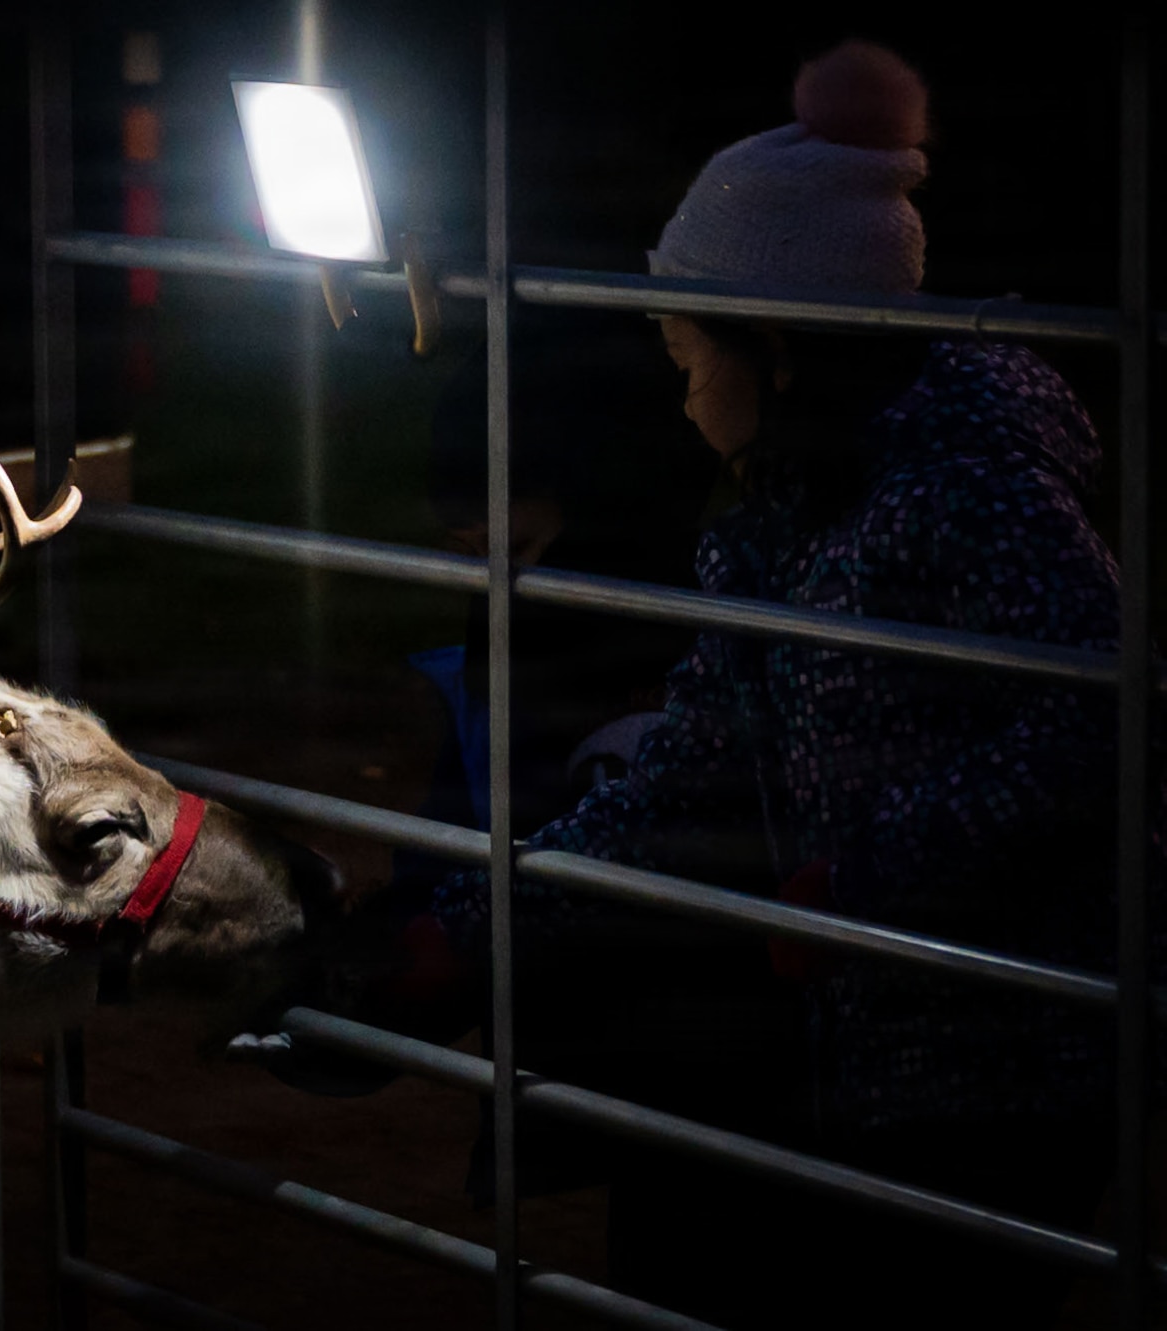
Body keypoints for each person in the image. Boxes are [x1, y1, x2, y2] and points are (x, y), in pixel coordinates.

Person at [315, 39, 1145, 1329]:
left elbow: (1097, 719)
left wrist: (865, 884)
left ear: (780, 346)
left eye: (693, 358)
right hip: (870, 1054)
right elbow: (684, 768)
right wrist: (471, 929)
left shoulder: (970, 490)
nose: (687, 398)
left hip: (1014, 1055)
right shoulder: (777, 527)